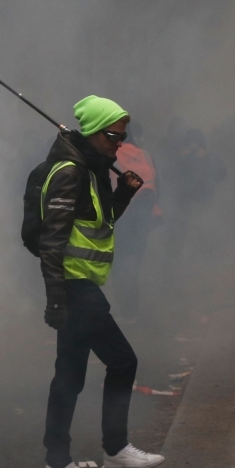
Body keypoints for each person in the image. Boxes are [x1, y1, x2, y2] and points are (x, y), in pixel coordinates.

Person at [38, 95, 165, 468]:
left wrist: (122, 194)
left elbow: (101, 221)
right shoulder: (69, 172)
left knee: (70, 375)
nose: (120, 145)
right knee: (123, 361)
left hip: (83, 283)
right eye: (113, 136)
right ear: (93, 132)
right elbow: (52, 240)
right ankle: (115, 449)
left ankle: (58, 465)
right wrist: (56, 298)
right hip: (75, 288)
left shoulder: (90, 168)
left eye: (123, 136)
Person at [107, 121, 159, 322]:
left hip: (121, 216)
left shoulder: (112, 156)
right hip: (145, 217)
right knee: (135, 263)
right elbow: (158, 188)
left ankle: (126, 310)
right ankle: (134, 311)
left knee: (120, 264)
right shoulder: (146, 155)